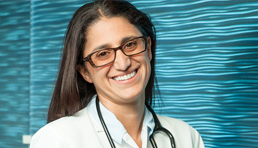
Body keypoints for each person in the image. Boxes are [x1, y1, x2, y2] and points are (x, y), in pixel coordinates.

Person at [30, 0, 204, 148]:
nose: (123, 63)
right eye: (103, 54)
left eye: (130, 44)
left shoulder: (186, 137)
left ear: (148, 49)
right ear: (85, 72)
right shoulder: (57, 140)